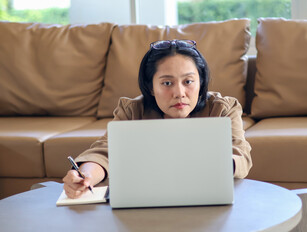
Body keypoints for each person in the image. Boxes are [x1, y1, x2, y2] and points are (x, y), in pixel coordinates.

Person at [63, 39, 252, 199]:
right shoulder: (132, 111)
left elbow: (241, 155)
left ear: (201, 81)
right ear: (151, 87)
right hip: (146, 200)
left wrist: (215, 162)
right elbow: (105, 152)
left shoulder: (222, 108)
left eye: (188, 81)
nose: (179, 93)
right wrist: (86, 176)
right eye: (167, 83)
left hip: (206, 197)